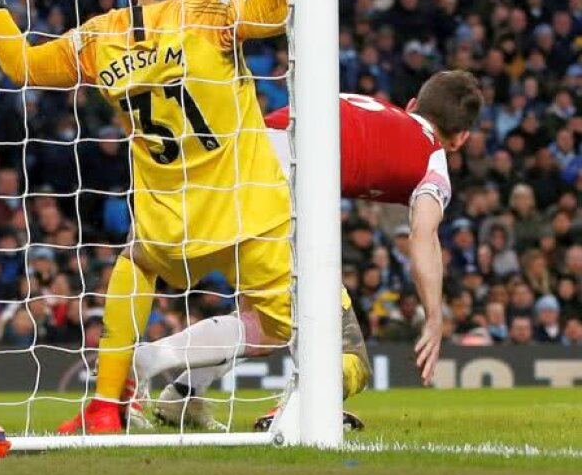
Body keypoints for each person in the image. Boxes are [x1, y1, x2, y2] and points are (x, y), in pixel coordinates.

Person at [0, 0, 415, 433]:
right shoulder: (214, 14)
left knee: (136, 265)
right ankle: (294, 411)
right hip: (252, 221)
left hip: (169, 229)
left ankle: (105, 406)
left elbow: (20, 64)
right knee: (346, 350)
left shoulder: (99, 39)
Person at [141, 70, 483, 430]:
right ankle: (292, 408)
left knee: (263, 323)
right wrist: (433, 318)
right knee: (351, 357)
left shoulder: (373, 108)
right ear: (461, 138)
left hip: (232, 164)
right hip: (278, 188)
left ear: (412, 105)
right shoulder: (433, 157)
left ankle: (182, 395)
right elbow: (424, 236)